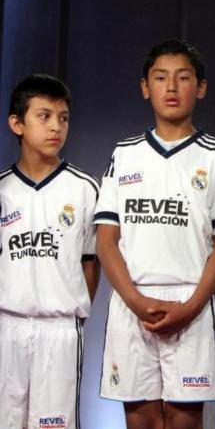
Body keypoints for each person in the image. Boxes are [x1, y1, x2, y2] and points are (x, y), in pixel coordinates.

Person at [94, 40, 215, 429]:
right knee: (140, 421)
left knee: (184, 422)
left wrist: (190, 307)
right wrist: (136, 301)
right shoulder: (124, 153)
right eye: (160, 78)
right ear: (146, 87)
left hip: (191, 305)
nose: (171, 87)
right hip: (132, 305)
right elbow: (106, 241)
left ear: (201, 87)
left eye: (183, 78)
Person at [0, 74, 100, 429]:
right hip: (7, 327)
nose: (56, 126)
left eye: (63, 117)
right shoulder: (2, 190)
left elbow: (90, 262)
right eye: (44, 116)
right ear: (17, 124)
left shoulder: (85, 189)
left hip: (60, 329)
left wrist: (72, 314)